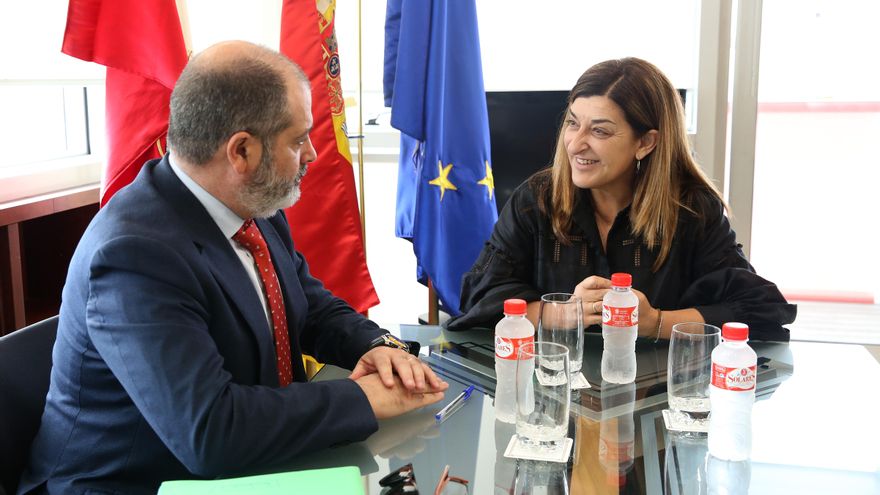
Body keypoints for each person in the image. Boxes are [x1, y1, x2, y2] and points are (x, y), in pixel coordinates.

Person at [20, 41, 447, 494]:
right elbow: (210, 431)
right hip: (132, 483)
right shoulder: (134, 255)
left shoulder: (251, 203)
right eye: (297, 140)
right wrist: (362, 399)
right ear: (241, 151)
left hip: (248, 463)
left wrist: (376, 346)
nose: (311, 154)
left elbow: (309, 307)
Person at [449, 58, 796, 341]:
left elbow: (760, 309)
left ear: (645, 143)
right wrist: (562, 312)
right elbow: (478, 300)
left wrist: (655, 322)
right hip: (552, 389)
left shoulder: (693, 208)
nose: (576, 144)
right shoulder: (535, 199)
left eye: (599, 130)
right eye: (573, 123)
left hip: (659, 392)